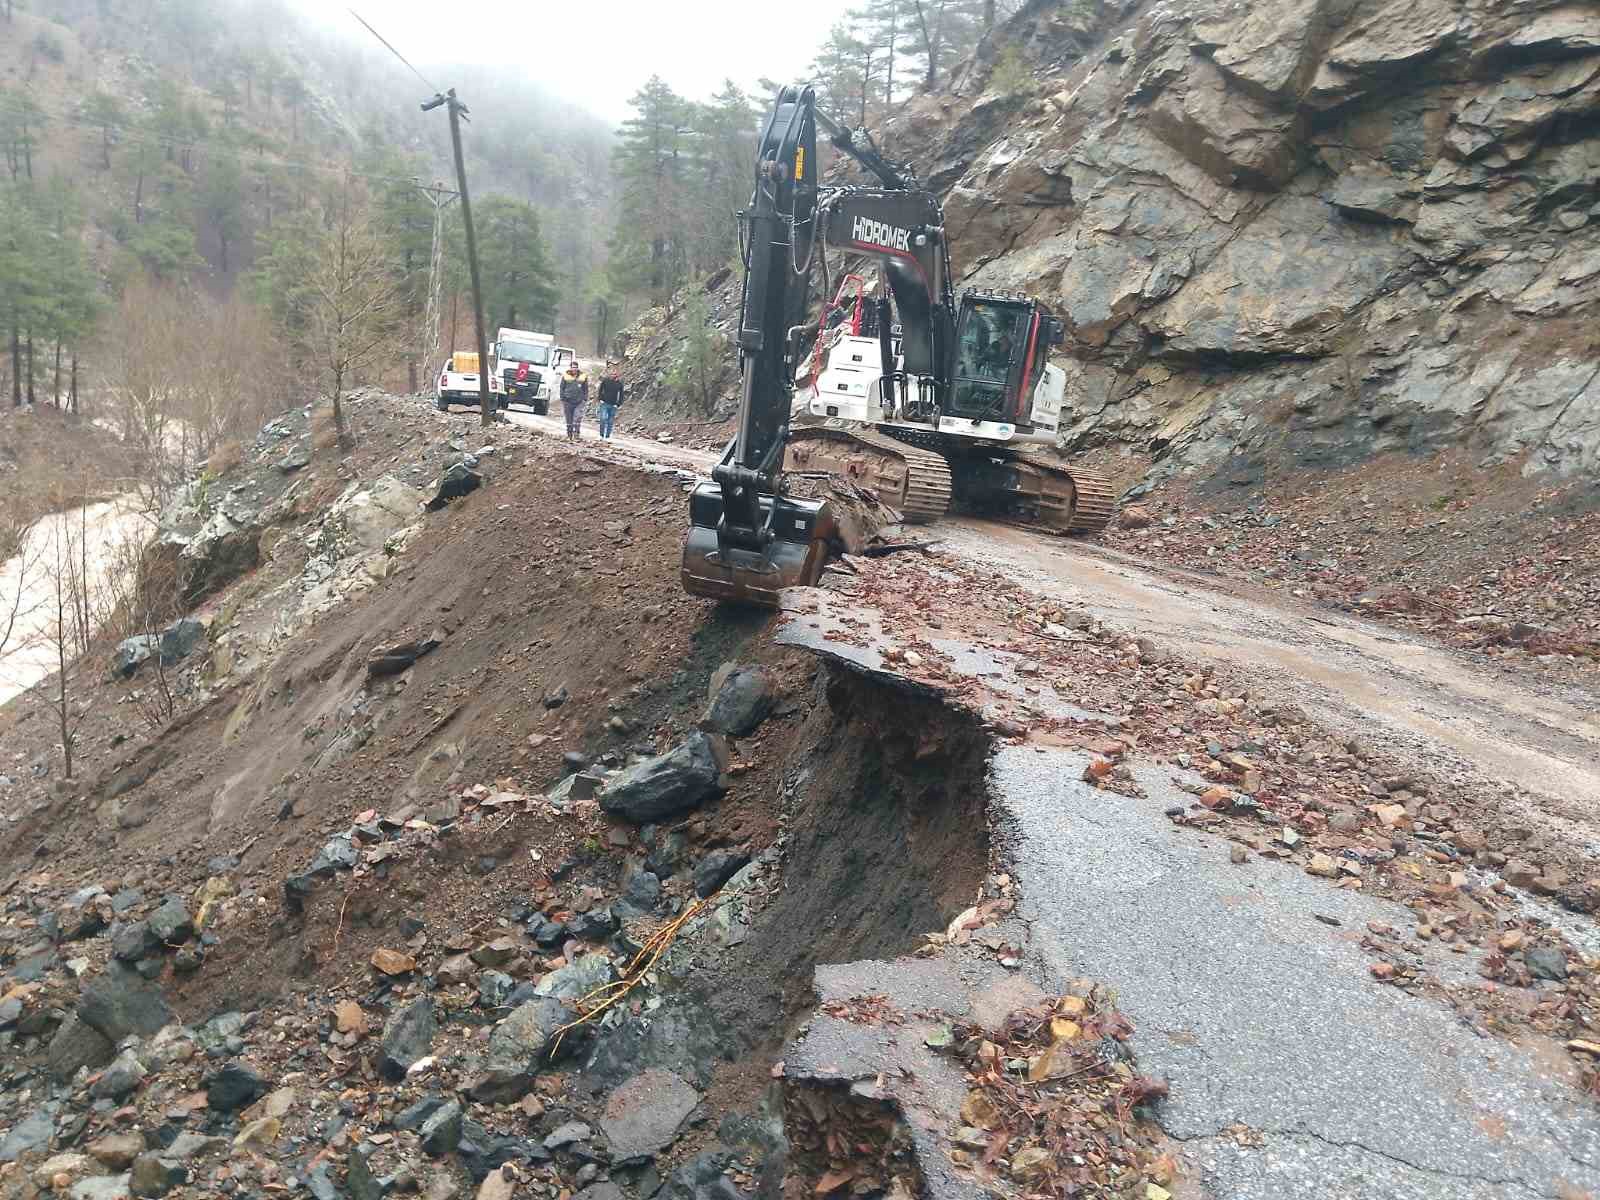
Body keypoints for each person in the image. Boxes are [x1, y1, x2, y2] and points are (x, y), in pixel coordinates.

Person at [558, 360, 589, 441]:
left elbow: (586, 388)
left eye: (575, 367)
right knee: (569, 419)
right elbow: (562, 387)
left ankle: (577, 434)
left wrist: (585, 398)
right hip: (567, 401)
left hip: (579, 401)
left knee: (577, 417)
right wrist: (562, 397)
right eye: (572, 367)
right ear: (570, 368)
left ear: (577, 368)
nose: (574, 369)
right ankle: (569, 435)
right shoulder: (565, 376)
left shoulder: (583, 376)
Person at [596, 365, 624, 439]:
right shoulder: (605, 381)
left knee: (610, 422)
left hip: (613, 405)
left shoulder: (619, 384)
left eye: (615, 374)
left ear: (617, 375)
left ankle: (607, 436)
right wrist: (600, 399)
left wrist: (618, 404)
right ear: (610, 374)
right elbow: (600, 390)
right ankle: (601, 435)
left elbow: (621, 395)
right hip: (604, 403)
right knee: (603, 418)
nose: (613, 375)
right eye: (612, 373)